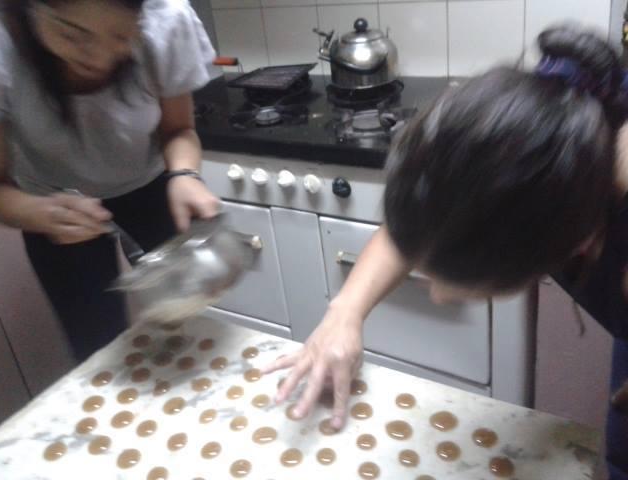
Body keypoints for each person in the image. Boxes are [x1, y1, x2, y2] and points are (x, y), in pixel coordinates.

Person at [263, 26, 628, 479]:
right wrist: (345, 313)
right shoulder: (554, 137)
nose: (435, 295)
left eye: (448, 283)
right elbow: (424, 226)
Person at [0, 0, 220, 362]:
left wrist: (185, 174)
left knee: (186, 328)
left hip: (153, 188)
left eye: (121, 37)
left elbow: (178, 130)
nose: (98, 58)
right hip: (53, 208)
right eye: (72, 34)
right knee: (96, 347)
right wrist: (37, 213)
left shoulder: (166, 20)